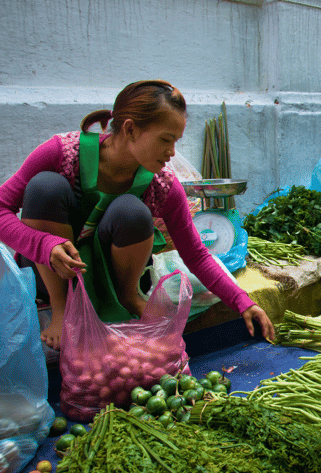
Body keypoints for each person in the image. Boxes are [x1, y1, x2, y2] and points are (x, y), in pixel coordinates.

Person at [0, 80, 275, 350]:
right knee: (45, 187)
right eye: (165, 140)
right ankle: (61, 311)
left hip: (111, 277)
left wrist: (243, 302)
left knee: (131, 212)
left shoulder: (162, 185)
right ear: (131, 129)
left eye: (176, 141)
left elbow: (196, 254)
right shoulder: (62, 153)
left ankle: (127, 297)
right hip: (55, 275)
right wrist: (44, 245)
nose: (172, 153)